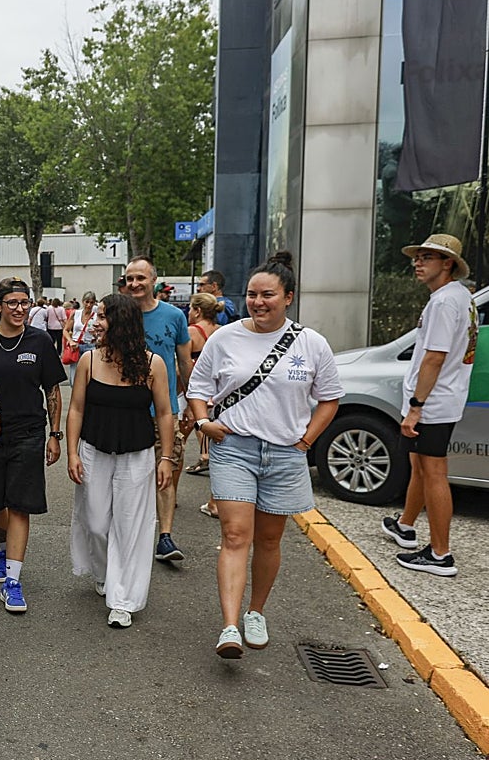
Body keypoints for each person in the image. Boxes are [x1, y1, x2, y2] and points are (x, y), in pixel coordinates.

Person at [187, 253, 343, 659]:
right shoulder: (225, 338)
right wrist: (204, 423)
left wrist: (305, 442)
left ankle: (256, 611)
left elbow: (330, 399)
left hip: (285, 454)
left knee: (270, 539)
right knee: (235, 535)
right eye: (252, 294)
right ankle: (229, 625)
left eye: (268, 295)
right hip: (234, 448)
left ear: (288, 297)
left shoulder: (312, 344)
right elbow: (198, 387)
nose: (258, 302)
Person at [67, 294, 174, 628]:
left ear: (121, 321)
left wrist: (166, 457)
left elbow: (166, 413)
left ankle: (123, 599)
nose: (95, 322)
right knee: (96, 523)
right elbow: (76, 409)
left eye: (102, 316)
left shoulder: (152, 364)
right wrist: (71, 452)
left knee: (130, 526)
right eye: (96, 315)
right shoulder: (89, 361)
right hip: (94, 450)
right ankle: (103, 572)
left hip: (136, 455)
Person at [381, 234, 477, 577]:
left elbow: (434, 357)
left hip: (433, 401)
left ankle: (440, 554)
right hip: (444, 397)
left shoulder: (443, 302)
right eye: (417, 257)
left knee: (434, 471)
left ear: (447, 263)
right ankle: (406, 526)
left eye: (427, 257)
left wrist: (417, 406)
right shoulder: (459, 297)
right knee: (420, 466)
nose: (418, 263)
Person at [0, 277, 67, 613]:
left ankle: (13, 580)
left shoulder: (39, 342)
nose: (20, 309)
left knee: (20, 505)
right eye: (12, 303)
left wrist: (55, 435)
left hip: (28, 433)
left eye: (25, 303)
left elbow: (52, 391)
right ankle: (1, 548)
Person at [125, 257, 192, 562]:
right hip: (125, 410)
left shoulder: (174, 316)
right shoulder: (120, 314)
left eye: (141, 278)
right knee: (128, 477)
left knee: (165, 471)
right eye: (129, 279)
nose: (135, 284)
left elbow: (184, 362)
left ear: (154, 280)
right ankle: (128, 535)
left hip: (163, 410)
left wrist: (192, 401)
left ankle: (165, 537)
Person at [175, 293, 223, 510]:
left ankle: (170, 494)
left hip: (193, 391)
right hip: (217, 391)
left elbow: (182, 366)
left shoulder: (191, 332)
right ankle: (215, 500)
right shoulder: (222, 332)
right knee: (219, 448)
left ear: (197, 310)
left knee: (177, 444)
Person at [62, 291, 98, 386]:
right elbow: (66, 330)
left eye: (91, 302)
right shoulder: (76, 313)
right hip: (76, 346)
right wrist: (70, 341)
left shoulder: (96, 316)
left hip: (91, 346)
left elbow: (102, 333)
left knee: (90, 375)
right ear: (83, 301)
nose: (89, 305)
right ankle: (75, 397)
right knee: (74, 378)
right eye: (87, 302)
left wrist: (95, 334)